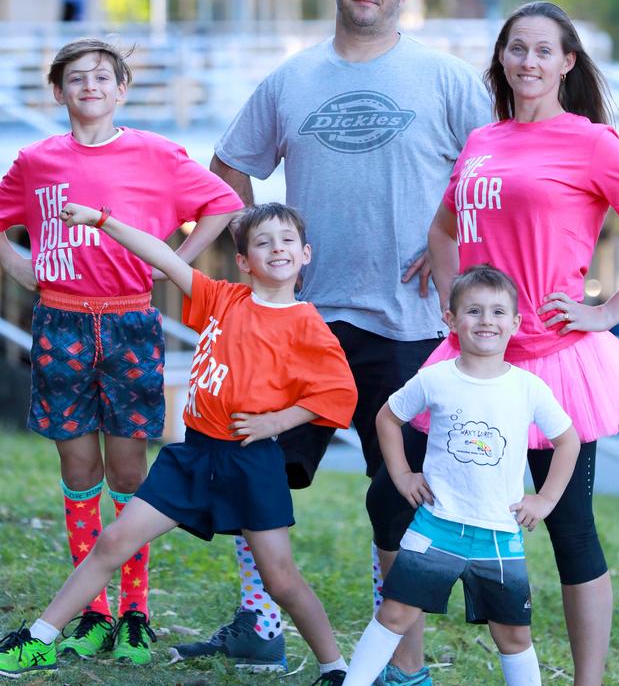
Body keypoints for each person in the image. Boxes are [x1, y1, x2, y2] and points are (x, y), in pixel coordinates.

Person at [172, 0, 492, 686]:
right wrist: (258, 258)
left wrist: (457, 251)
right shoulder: (291, 80)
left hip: (409, 324)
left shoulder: (446, 80)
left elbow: (495, 179)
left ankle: (397, 664)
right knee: (257, 470)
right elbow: (227, 173)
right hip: (301, 322)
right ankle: (259, 621)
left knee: (399, 497)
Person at [369, 0, 619, 686]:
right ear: (501, 58)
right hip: (474, 362)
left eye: (543, 50)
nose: (527, 61)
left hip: (557, 360)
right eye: (515, 48)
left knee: (568, 525)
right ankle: (408, 661)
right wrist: (449, 298)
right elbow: (443, 230)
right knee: (421, 496)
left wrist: (610, 309)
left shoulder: (591, 142)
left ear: (567, 62)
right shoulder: (483, 140)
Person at [0, 201, 357, 684]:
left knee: (281, 578)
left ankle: (336, 668)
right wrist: (105, 221)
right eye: (263, 241)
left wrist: (276, 423)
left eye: (288, 240)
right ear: (245, 261)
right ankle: (39, 639)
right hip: (194, 454)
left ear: (306, 253)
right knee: (114, 540)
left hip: (252, 463)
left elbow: (338, 392)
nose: (278, 248)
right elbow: (165, 258)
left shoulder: (308, 325)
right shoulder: (223, 298)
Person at [0, 39, 243, 664]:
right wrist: (27, 273)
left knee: (130, 473)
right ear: (58, 92)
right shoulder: (35, 160)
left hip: (131, 323)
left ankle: (134, 611)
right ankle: (95, 613)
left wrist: (176, 265)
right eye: (75, 78)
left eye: (102, 77)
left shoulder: (156, 153)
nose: (89, 86)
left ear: (121, 89)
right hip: (61, 323)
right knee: (79, 471)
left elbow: (224, 203)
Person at [343, 265, 580, 685]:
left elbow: (568, 441)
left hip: (498, 535)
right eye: (473, 310)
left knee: (513, 636)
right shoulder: (435, 379)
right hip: (437, 526)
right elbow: (387, 418)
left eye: (497, 312)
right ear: (450, 320)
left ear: (515, 323)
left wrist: (544, 500)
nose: (486, 320)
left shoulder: (529, 388)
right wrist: (401, 475)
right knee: (394, 614)